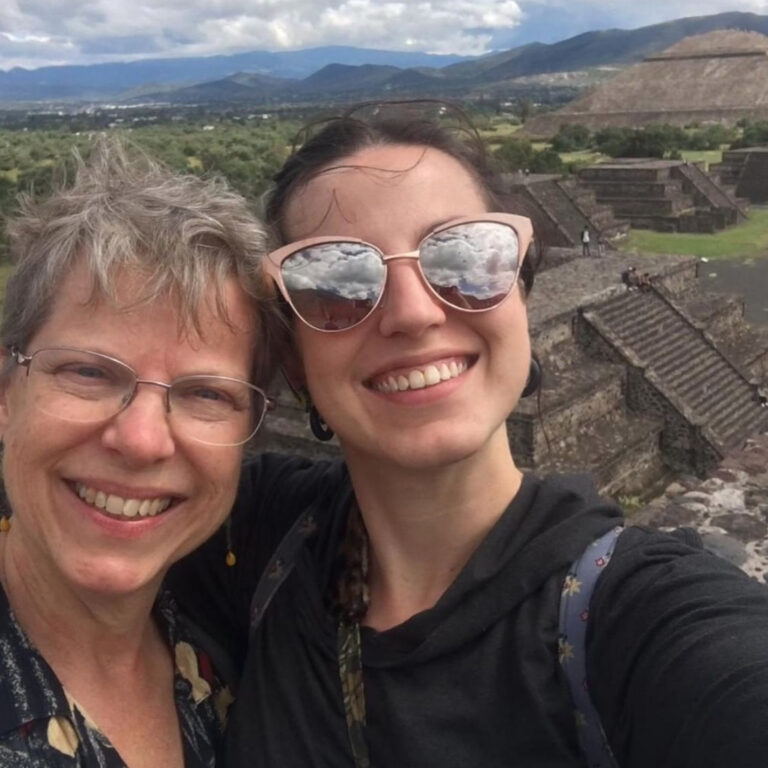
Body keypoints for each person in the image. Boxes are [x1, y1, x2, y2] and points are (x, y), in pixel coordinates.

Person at [171, 103, 768, 767]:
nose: (413, 312)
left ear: (521, 292)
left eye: (463, 257)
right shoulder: (257, 539)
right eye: (337, 280)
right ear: (292, 359)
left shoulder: (634, 618)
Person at [0, 137, 276, 767]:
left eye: (206, 393)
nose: (143, 439)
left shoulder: (226, 661)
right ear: (6, 394)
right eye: (90, 373)